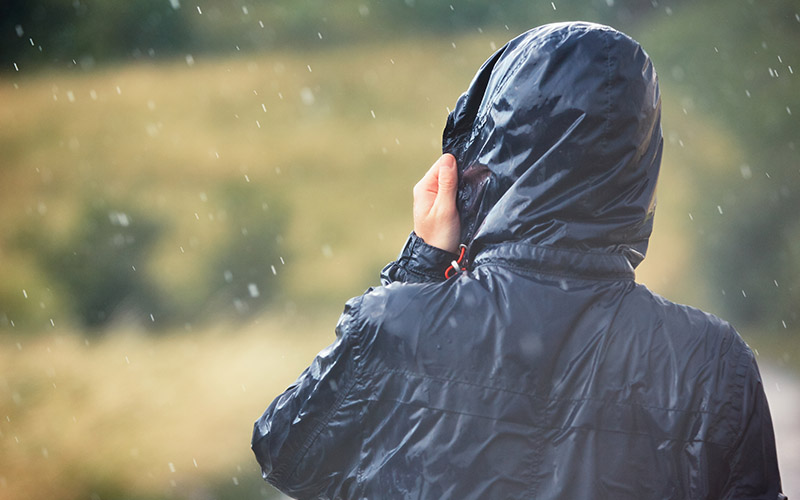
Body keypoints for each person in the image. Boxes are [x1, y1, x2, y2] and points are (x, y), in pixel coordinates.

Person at [252, 22, 785, 499]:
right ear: (640, 166)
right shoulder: (714, 362)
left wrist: (421, 261)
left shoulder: (397, 327)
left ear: (479, 165)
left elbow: (287, 456)